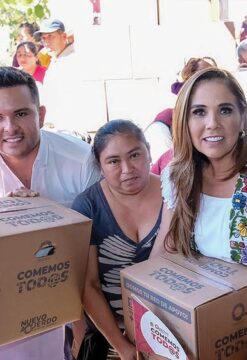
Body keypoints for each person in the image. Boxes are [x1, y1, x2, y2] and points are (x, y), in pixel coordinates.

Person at [151, 68, 247, 359]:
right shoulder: (178, 174)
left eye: (225, 110)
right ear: (184, 120)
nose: (212, 124)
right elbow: (164, 250)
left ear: (242, 116)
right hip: (196, 328)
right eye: (199, 112)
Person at [0, 67, 100, 358]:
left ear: (41, 115)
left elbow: (101, 235)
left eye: (21, 114)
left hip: (75, 295)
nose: (10, 128)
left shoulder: (79, 159)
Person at [72, 120, 162, 360]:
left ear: (149, 152)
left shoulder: (174, 193)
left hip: (169, 330)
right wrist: (122, 346)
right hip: (110, 334)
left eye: (134, 155)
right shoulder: (88, 206)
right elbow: (88, 285)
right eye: (113, 161)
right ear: (100, 166)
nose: (127, 169)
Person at [145, 56, 217, 165]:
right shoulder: (164, 123)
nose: (213, 81)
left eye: (215, 74)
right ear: (190, 78)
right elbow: (165, 168)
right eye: (206, 75)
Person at [34, 18, 82, 131]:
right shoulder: (55, 59)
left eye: (51, 36)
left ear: (64, 36)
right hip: (56, 125)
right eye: (44, 38)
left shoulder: (72, 59)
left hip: (69, 125)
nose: (46, 42)